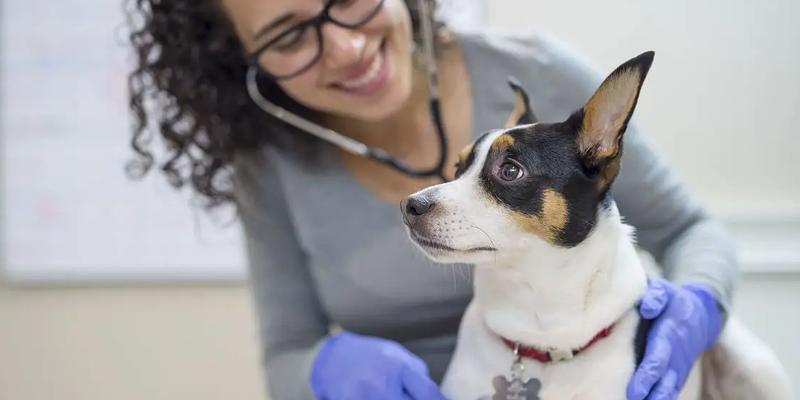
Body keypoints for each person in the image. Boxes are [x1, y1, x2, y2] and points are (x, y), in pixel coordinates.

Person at [125, 0, 738, 399]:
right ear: (243, 63)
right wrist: (321, 371)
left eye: (347, 0)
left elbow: (689, 229)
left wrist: (701, 305)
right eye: (288, 36)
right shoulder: (271, 163)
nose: (344, 48)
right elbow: (285, 351)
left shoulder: (544, 76)